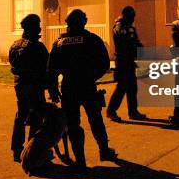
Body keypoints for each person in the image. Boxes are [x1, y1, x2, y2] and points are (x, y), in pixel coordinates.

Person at [47, 9, 116, 169]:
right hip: (87, 85)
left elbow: (51, 69)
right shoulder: (91, 39)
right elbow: (104, 63)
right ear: (83, 22)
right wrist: (92, 76)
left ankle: (80, 160)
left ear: (67, 23)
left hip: (68, 87)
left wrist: (52, 89)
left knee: (73, 124)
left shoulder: (59, 42)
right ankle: (104, 151)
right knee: (95, 119)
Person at [9, 14, 53, 162]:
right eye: (37, 25)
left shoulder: (15, 45)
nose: (40, 28)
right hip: (35, 87)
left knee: (21, 116)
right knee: (36, 119)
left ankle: (17, 150)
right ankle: (32, 150)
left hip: (20, 87)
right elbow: (47, 69)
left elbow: (13, 67)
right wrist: (51, 88)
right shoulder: (37, 47)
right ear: (31, 28)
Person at [107, 6, 146, 122]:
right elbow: (125, 43)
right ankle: (111, 111)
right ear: (127, 16)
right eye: (132, 16)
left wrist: (140, 48)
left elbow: (135, 41)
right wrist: (134, 49)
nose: (133, 19)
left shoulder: (130, 27)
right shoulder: (120, 26)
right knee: (121, 87)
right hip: (123, 61)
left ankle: (133, 111)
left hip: (130, 61)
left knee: (132, 87)